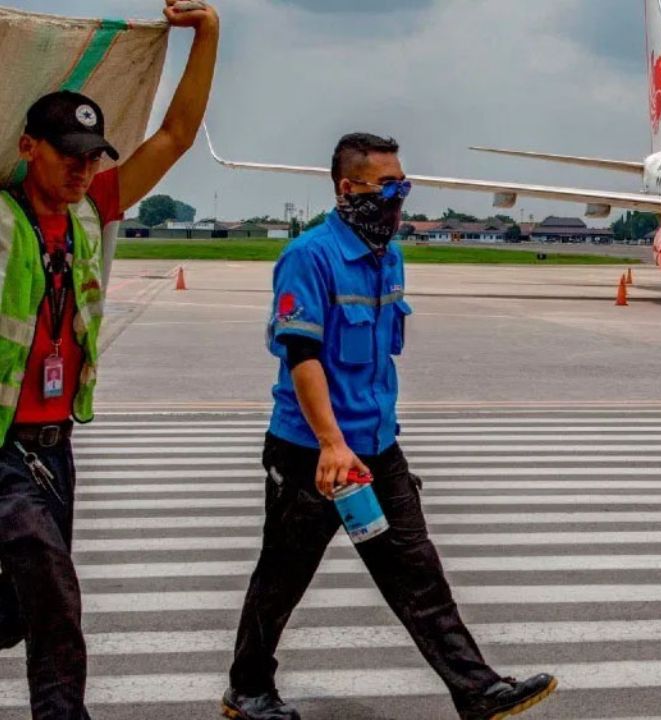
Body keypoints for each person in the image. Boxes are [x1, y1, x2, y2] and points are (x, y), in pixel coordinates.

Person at [223, 133, 557, 720]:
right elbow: (302, 356)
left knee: (417, 571)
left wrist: (374, 439)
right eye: (386, 187)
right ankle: (248, 689)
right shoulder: (310, 256)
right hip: (312, 454)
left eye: (403, 187)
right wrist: (331, 443)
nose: (397, 199)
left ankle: (476, 690)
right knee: (282, 577)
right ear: (347, 189)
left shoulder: (389, 257)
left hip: (377, 449)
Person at [0, 2, 220, 717]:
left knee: (19, 607)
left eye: (93, 155)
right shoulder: (1, 216)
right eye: (69, 152)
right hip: (3, 449)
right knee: (56, 600)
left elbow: (177, 135)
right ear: (27, 146)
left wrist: (209, 34)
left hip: (54, 447)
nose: (83, 167)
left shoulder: (92, 209)